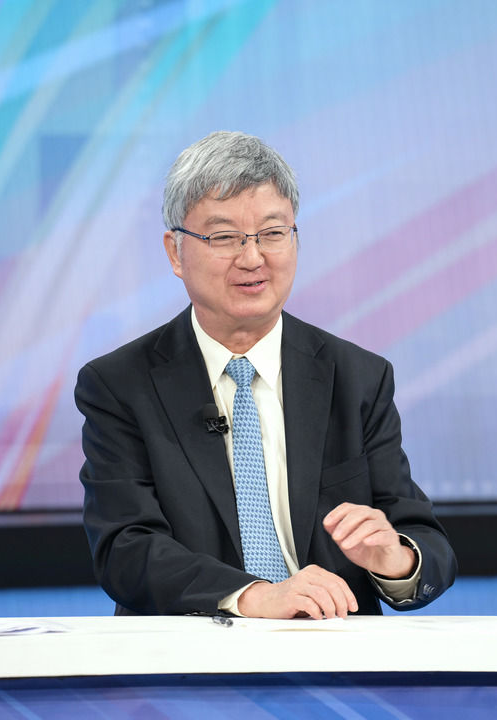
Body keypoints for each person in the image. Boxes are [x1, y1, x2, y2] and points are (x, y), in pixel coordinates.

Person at [75, 131, 457, 619]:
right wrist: (253, 596)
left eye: (272, 233)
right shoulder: (119, 386)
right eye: (224, 237)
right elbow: (125, 549)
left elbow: (427, 544)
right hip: (189, 650)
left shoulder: (358, 377)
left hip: (331, 646)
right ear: (175, 252)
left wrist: (394, 558)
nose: (252, 258)